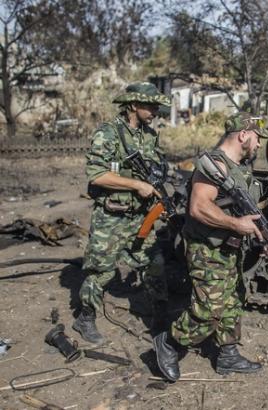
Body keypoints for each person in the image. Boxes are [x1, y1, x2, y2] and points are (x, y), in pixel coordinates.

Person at [153, 112, 268, 381]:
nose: (259, 144)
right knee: (208, 309)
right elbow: (198, 207)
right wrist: (235, 224)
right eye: (257, 138)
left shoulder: (240, 169)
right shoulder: (214, 166)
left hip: (231, 249)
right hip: (207, 249)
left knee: (233, 299)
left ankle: (228, 355)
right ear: (243, 135)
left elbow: (248, 217)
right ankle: (169, 343)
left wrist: (261, 239)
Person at [73, 82, 172, 344]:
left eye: (156, 106)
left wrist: (159, 196)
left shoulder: (149, 136)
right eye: (150, 105)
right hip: (111, 217)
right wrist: (136, 185)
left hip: (141, 217)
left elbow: (156, 173)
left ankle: (160, 317)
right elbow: (97, 176)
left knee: (154, 265)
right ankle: (85, 317)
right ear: (133, 105)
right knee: (102, 271)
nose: (155, 110)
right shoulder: (108, 133)